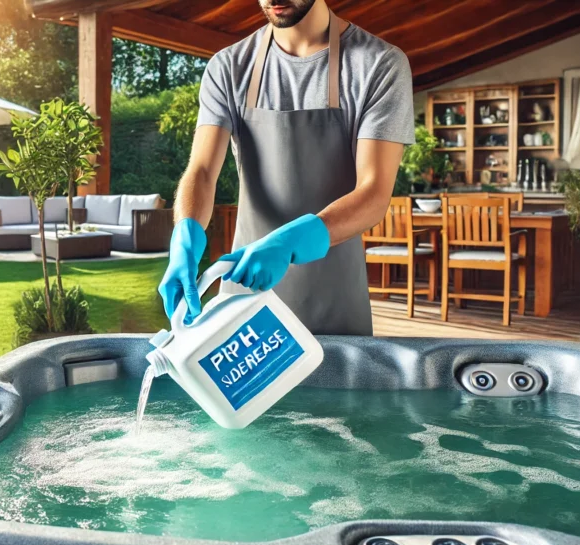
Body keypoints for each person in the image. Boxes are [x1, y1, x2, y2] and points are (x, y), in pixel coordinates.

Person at [158, 0, 414, 335]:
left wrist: (290, 242)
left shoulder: (378, 64)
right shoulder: (229, 67)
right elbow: (202, 171)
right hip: (243, 303)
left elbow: (374, 192)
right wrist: (186, 237)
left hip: (333, 306)